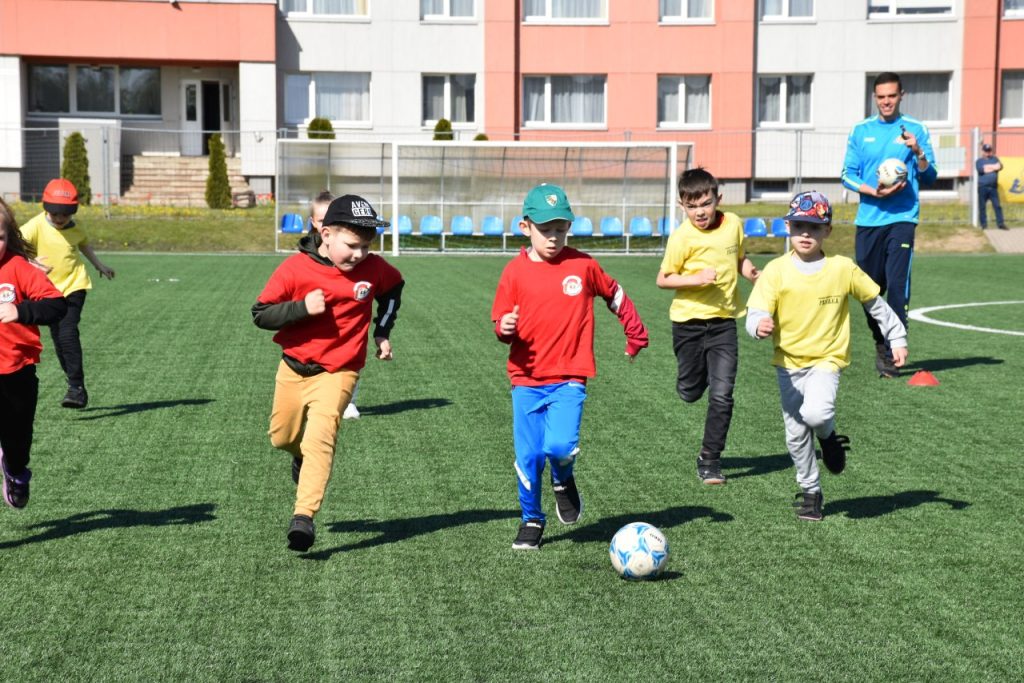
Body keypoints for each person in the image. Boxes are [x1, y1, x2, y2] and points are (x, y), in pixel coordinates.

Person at [491, 183, 649, 550]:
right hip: (525, 379)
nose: (553, 237)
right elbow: (499, 322)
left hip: (569, 377)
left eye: (561, 229)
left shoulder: (583, 265)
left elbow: (616, 295)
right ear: (525, 226)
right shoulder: (513, 273)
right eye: (545, 229)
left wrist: (635, 333)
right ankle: (531, 519)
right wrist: (505, 328)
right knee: (529, 456)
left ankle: (563, 479)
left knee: (560, 447)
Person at [252, 194, 404, 552]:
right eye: (352, 245)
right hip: (293, 368)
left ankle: (303, 517)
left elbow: (393, 290)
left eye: (366, 246)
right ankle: (298, 457)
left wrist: (381, 331)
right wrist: (301, 308)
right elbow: (260, 313)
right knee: (282, 437)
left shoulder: (375, 269)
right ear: (326, 233)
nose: (360, 254)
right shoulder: (294, 269)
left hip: (340, 371)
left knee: (321, 436)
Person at [745, 191, 908, 521]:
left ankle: (829, 436)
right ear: (788, 227)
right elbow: (756, 312)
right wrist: (757, 325)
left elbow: (876, 304)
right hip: (788, 363)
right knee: (795, 434)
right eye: (800, 226)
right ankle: (811, 491)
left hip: (827, 359)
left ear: (827, 231)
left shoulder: (841, 268)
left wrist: (897, 336)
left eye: (815, 227)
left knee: (817, 415)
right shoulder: (776, 271)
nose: (806, 234)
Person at [655, 168, 760, 485]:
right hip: (688, 324)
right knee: (689, 393)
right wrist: (696, 279)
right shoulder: (682, 237)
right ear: (681, 205)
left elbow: (739, 257)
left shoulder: (734, 225)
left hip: (724, 324)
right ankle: (690, 383)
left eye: (705, 203)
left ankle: (710, 460)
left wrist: (754, 273)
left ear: (718, 199)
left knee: (723, 394)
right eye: (692, 206)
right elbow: (663, 279)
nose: (700, 212)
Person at [841, 72, 934, 379]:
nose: (886, 102)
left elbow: (931, 174)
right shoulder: (860, 130)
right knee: (871, 290)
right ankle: (881, 342)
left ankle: (896, 344)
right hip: (868, 220)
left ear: (901, 95)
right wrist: (872, 191)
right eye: (881, 96)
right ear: (875, 98)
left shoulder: (915, 130)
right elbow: (846, 174)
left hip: (902, 218)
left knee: (896, 285)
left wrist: (918, 152)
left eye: (891, 96)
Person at [21, 178, 116, 408]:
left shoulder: (77, 227)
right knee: (58, 339)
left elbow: (84, 245)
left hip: (74, 285)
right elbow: (15, 249)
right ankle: (73, 383)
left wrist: (99, 265)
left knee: (67, 333)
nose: (61, 219)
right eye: (56, 215)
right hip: (47, 292)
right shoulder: (34, 226)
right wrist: (32, 263)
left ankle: (76, 387)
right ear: (46, 209)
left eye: (66, 215)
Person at [0, 198, 68, 509]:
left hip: (16, 372)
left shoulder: (17, 267)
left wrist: (20, 310)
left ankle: (15, 470)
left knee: (18, 441)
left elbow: (56, 305)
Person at [308, 190, 362, 420]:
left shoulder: (351, 251)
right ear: (313, 223)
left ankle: (349, 401)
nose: (325, 226)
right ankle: (313, 397)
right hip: (318, 317)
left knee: (351, 356)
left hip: (348, 316)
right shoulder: (307, 253)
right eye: (321, 221)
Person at [976, 143, 1007, 231]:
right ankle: (984, 224)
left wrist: (988, 167)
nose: (988, 153)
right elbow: (981, 170)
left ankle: (1000, 224)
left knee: (997, 206)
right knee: (982, 206)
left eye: (989, 151)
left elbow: (1000, 167)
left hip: (993, 188)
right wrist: (994, 167)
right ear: (983, 151)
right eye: (986, 151)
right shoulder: (979, 161)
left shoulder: (995, 159)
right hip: (983, 187)